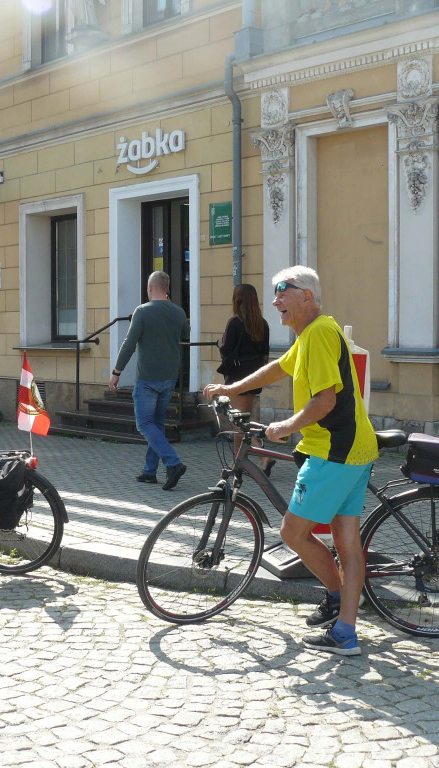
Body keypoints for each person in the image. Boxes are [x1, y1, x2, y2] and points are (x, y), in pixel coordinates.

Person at [203, 266, 379, 657]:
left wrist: (284, 426)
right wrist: (231, 388)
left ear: (308, 297)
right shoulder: (315, 331)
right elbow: (280, 367)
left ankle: (337, 600)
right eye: (275, 292)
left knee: (292, 533)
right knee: (346, 544)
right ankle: (345, 627)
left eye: (285, 291)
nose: (276, 300)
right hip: (356, 449)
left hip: (333, 452)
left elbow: (325, 401)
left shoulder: (316, 334)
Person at [109, 271, 190, 490]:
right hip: (169, 376)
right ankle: (149, 471)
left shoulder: (142, 312)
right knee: (157, 424)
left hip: (147, 377)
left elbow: (129, 343)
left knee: (145, 424)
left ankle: (173, 463)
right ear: (168, 289)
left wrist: (117, 371)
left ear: (150, 288)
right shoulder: (179, 312)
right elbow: (185, 333)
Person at [217, 283, 271, 464]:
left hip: (238, 376)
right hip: (255, 375)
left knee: (238, 422)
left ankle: (263, 456)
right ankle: (238, 461)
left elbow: (226, 350)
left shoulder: (235, 322)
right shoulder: (262, 324)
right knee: (242, 419)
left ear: (237, 300)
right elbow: (265, 352)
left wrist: (220, 344)